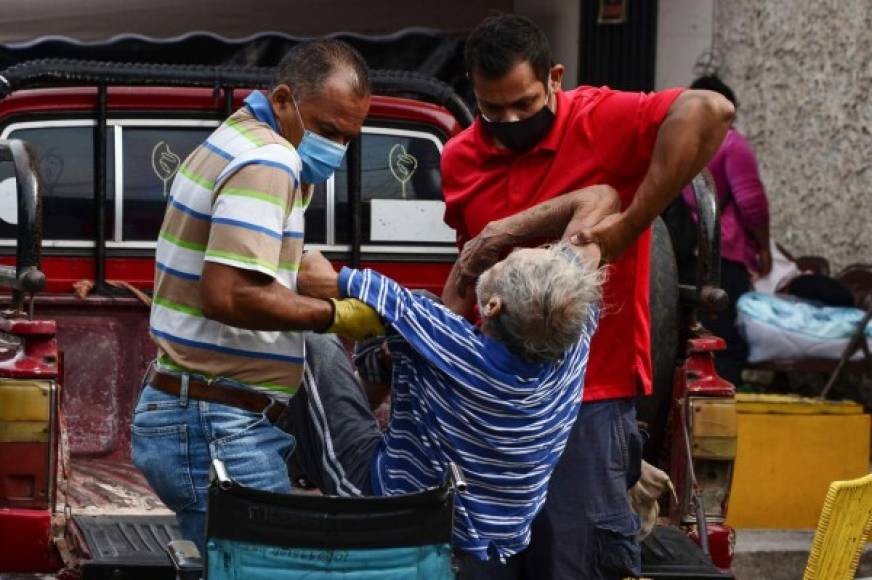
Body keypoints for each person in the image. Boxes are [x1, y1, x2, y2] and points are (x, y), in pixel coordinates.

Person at [440, 15, 735, 578]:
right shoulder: (459, 157)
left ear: (555, 77)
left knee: (575, 561)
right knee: (484, 561)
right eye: (491, 108)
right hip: (496, 400)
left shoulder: (602, 120)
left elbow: (712, 112)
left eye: (524, 105)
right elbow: (468, 271)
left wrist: (630, 226)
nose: (509, 121)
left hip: (588, 400)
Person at [131, 40, 386, 552]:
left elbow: (244, 264)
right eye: (328, 129)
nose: (336, 148)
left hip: (203, 415)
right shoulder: (270, 159)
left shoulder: (234, 140)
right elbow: (228, 295)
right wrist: (334, 315)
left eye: (347, 137)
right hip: (216, 422)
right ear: (286, 99)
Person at [282, 184, 617, 562]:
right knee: (407, 331)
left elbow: (312, 276)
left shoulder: (444, 337)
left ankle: (292, 452)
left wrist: (494, 233)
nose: (506, 257)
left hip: (392, 507)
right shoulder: (572, 329)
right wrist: (498, 234)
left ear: (491, 306)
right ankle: (366, 393)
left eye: (508, 261)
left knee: (313, 339)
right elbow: (601, 200)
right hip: (492, 530)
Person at [679, 74, 771, 384]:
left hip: (683, 255)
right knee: (723, 340)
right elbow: (752, 202)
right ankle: (720, 405)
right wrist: (763, 247)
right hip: (723, 255)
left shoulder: (680, 144)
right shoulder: (731, 144)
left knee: (687, 335)